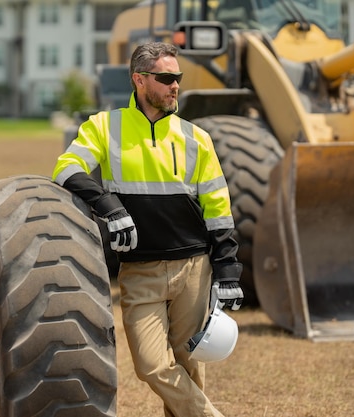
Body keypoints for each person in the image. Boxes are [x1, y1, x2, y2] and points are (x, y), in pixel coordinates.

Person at [52, 42, 243, 417]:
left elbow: (218, 209)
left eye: (178, 78)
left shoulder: (196, 138)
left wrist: (228, 270)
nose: (175, 86)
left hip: (194, 269)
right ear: (140, 80)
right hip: (140, 272)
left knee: (189, 364)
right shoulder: (105, 127)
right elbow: (66, 168)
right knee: (152, 365)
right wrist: (108, 205)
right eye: (167, 78)